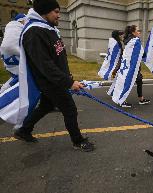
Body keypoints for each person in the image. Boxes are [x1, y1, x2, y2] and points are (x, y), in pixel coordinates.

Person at [13, 0, 94, 152]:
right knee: (70, 109)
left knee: (46, 106)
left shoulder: (48, 29)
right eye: (56, 12)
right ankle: (78, 141)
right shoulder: (34, 33)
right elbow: (45, 65)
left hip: (56, 80)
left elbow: (57, 57)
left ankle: (24, 130)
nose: (59, 16)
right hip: (50, 82)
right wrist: (68, 82)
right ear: (45, 11)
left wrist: (67, 75)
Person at [119, 25, 150, 108]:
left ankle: (141, 99)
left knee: (138, 80)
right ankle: (122, 100)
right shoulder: (135, 41)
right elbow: (142, 54)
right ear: (133, 32)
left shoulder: (129, 41)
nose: (139, 32)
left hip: (129, 65)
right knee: (127, 82)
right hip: (132, 66)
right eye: (138, 30)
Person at [0, 13, 27, 93]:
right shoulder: (19, 28)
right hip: (15, 57)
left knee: (16, 77)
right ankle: (4, 93)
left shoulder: (9, 28)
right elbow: (12, 45)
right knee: (21, 77)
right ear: (22, 20)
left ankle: (3, 90)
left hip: (6, 58)